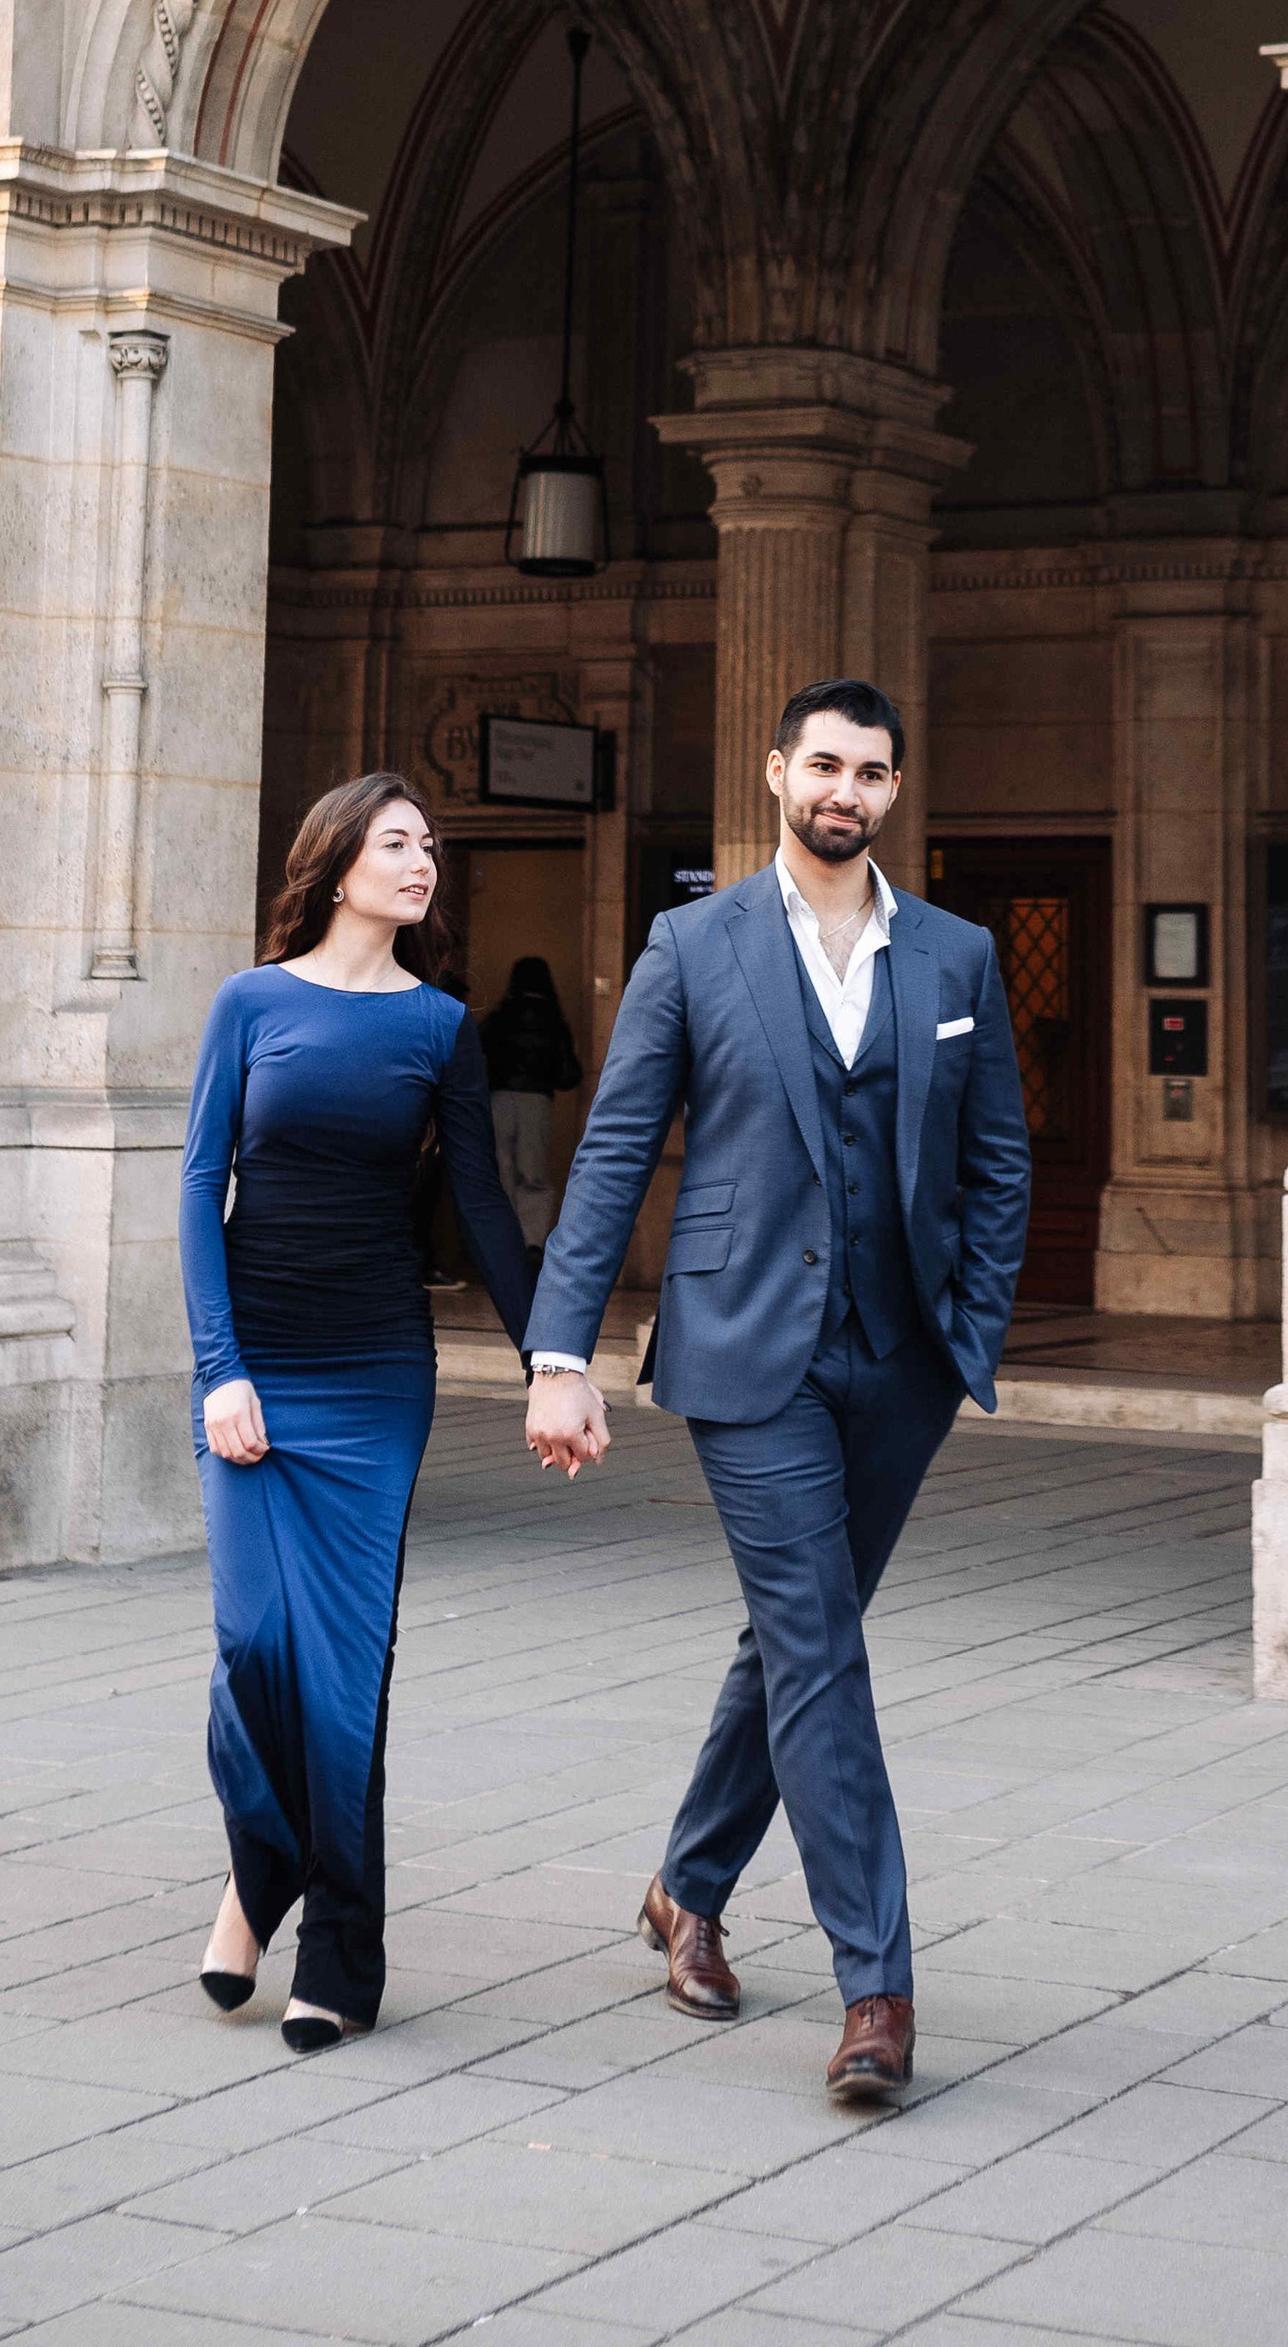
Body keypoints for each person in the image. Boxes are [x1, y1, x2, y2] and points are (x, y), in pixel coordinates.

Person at [522, 679, 1030, 2109]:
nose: (844, 790)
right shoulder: (695, 945)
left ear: (893, 792)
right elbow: (616, 1149)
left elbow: (999, 1158)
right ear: (776, 775)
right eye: (823, 764)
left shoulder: (956, 956)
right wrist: (563, 1357)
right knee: (821, 1653)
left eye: (870, 771)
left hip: (901, 1364)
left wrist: (970, 1328)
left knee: (796, 1635)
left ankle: (685, 1888)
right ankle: (880, 1986)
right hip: (749, 1354)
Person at [179, 772, 534, 2050]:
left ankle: (343, 1951)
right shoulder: (251, 1003)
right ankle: (257, 1876)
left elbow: (482, 1206)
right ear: (336, 865)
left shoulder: (439, 1025)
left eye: (430, 845)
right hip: (256, 1368)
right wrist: (220, 1368)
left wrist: (553, 1350)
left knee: (345, 1673)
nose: (421, 860)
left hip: (375, 1375)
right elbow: (197, 1186)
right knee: (253, 1652)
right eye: (397, 843)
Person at [479, 953, 582, 1260]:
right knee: (534, 1175)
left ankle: (504, 1240)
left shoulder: (500, 1016)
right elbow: (569, 1074)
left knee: (502, 1171)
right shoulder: (555, 1020)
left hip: (498, 1098)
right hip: (537, 1100)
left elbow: (475, 1051)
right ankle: (533, 1242)